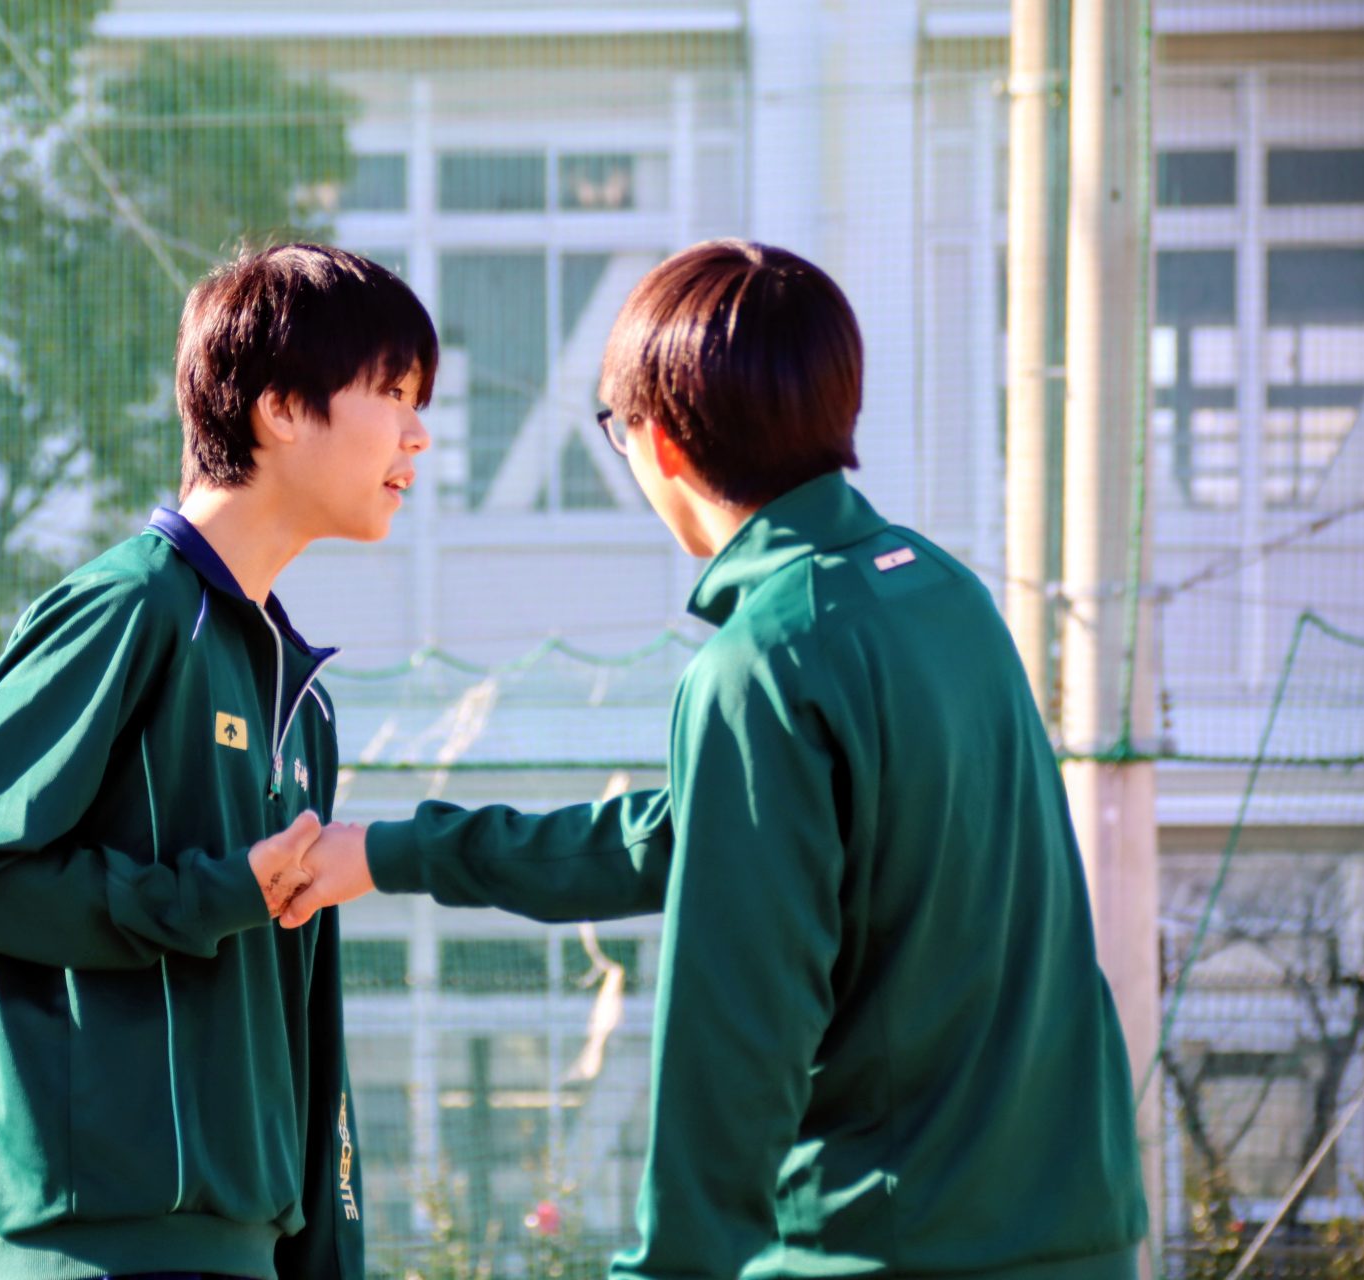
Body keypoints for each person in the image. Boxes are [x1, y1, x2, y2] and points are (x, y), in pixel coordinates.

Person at [283, 240, 1149, 1279]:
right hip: (1079, 1228)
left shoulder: (768, 659)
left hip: (887, 1245)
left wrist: (673, 1266)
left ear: (660, 442)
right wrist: (390, 853)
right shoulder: (938, 594)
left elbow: (736, 1024)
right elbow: (690, 837)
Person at [0, 243, 435, 1280]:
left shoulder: (302, 698)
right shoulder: (130, 607)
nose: (419, 433)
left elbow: (306, 1027)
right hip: (100, 1246)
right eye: (395, 393)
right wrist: (207, 895)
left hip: (246, 1250)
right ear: (282, 408)